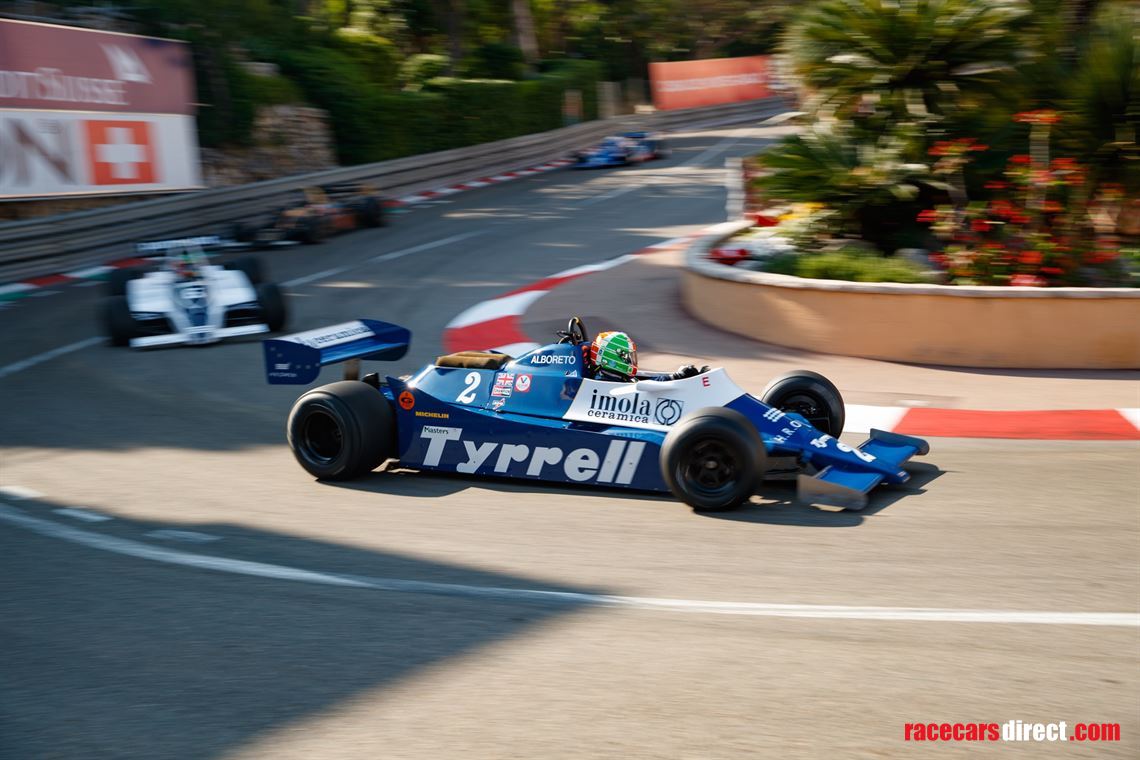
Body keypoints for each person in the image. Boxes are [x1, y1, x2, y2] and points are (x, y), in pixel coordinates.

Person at [588, 330, 708, 383]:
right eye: (628, 356)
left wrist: (679, 377)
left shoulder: (617, 377)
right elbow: (641, 388)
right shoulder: (607, 382)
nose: (632, 360)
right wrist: (676, 376)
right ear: (613, 358)